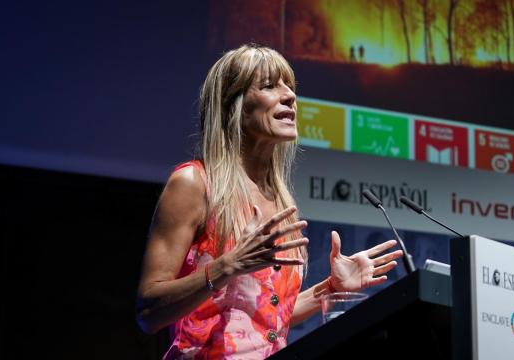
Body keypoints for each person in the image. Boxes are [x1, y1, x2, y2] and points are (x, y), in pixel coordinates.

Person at [135, 44, 403, 359]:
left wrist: (328, 289)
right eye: (268, 86)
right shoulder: (194, 184)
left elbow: (265, 315)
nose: (289, 96)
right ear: (232, 105)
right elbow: (148, 312)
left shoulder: (278, 200)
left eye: (290, 86)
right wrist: (227, 266)